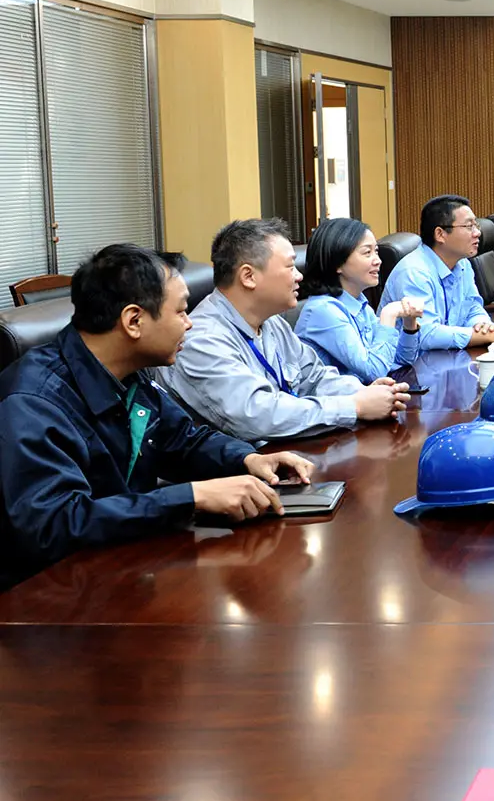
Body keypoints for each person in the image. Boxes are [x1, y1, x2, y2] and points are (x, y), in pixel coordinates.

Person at [0, 244, 314, 590]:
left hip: (123, 569)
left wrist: (248, 459)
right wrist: (192, 497)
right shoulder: (33, 402)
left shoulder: (129, 375)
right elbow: (54, 525)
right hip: (46, 597)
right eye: (181, 311)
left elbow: (183, 440)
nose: (189, 324)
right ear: (134, 321)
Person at [156, 218, 410, 442]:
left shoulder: (271, 322)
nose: (299, 276)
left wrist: (363, 392)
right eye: (290, 267)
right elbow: (258, 415)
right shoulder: (202, 340)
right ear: (248, 276)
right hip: (239, 472)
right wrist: (354, 406)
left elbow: (314, 377)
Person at [380, 194, 494, 350]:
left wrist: (483, 326)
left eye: (476, 225)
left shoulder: (462, 263)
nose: (477, 233)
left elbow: (473, 308)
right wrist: (490, 335)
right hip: (413, 362)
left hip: (446, 357)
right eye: (469, 226)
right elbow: (426, 335)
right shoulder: (413, 272)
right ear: (440, 234)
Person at [295, 217, 425, 381]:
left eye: (376, 251)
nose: (378, 261)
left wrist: (409, 324)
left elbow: (400, 361)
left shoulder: (359, 303)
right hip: (333, 397)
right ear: (338, 263)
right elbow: (374, 371)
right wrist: (388, 315)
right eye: (367, 253)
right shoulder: (323, 311)